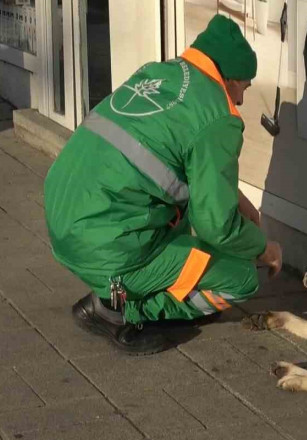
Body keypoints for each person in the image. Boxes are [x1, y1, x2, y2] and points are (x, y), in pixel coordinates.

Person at [43, 14, 283, 355]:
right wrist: (263, 248)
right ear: (228, 80)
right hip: (107, 248)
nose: (242, 101)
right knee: (242, 277)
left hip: (66, 222)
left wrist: (238, 199)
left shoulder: (160, 73)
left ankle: (117, 289)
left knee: (185, 219)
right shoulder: (218, 116)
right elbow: (217, 226)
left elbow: (177, 164)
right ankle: (122, 310)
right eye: (244, 87)